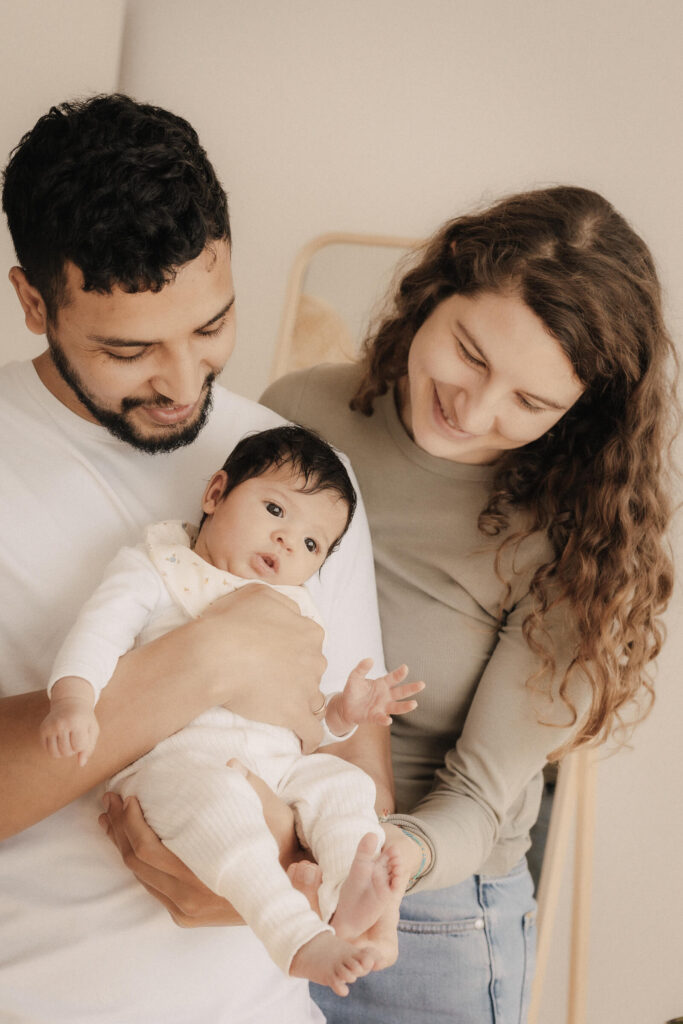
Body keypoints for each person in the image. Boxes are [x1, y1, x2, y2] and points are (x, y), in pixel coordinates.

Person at [0, 93, 394, 1024]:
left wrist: (285, 874)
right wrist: (209, 659)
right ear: (33, 301)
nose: (183, 384)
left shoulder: (298, 476)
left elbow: (361, 775)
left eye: (211, 327)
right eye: (130, 348)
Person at [260, 185, 677, 1022]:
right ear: (436, 289)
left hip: (424, 919)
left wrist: (387, 860)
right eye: (469, 355)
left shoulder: (577, 540)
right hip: (252, 874)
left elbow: (477, 802)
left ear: (578, 411)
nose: (475, 410)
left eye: (530, 403)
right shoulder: (298, 413)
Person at [40, 424, 422, 994]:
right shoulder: (159, 568)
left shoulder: (296, 608)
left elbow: (304, 724)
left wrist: (342, 713)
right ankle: (296, 939)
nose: (288, 541)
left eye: (312, 545)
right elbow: (97, 633)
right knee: (224, 809)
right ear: (216, 493)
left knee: (345, 786)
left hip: (276, 765)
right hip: (177, 766)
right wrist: (73, 699)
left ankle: (351, 895)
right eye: (275, 510)